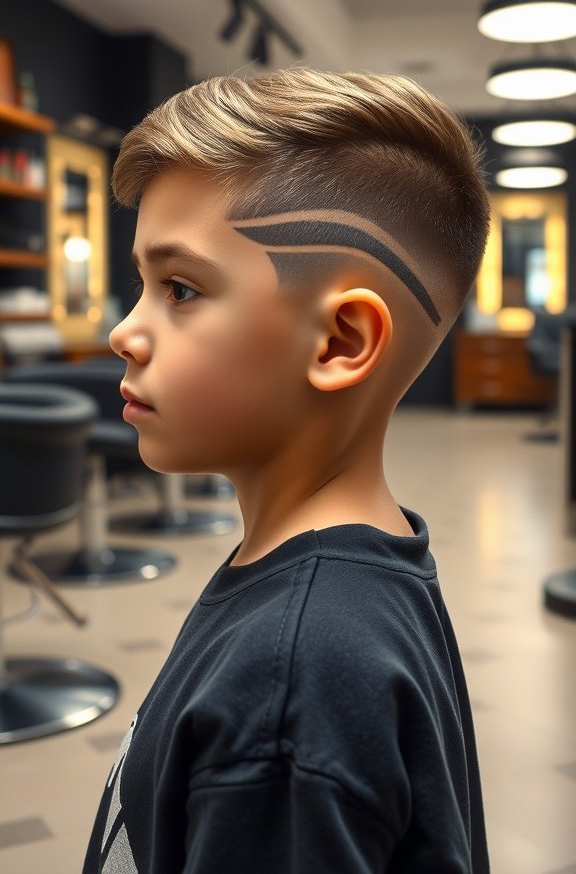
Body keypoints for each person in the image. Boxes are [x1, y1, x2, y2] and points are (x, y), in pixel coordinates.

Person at [83, 68, 491, 873]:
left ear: (340, 342)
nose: (124, 333)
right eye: (142, 285)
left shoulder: (288, 687)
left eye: (180, 289)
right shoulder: (360, 577)